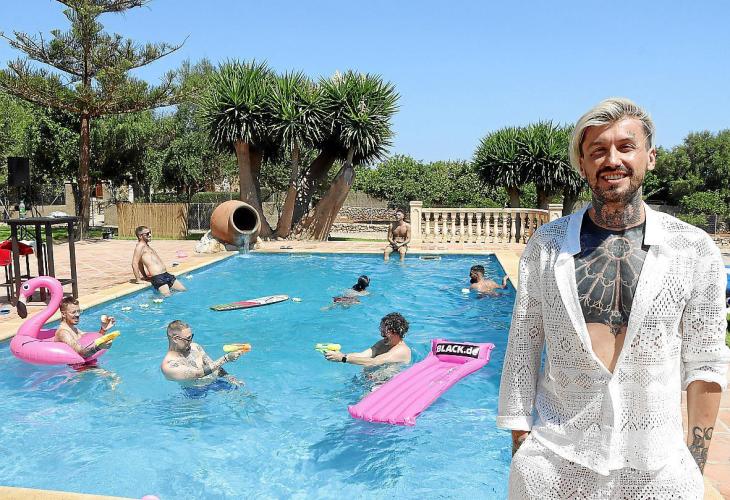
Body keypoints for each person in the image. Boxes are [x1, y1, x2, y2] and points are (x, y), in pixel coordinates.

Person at [498, 97, 730, 499]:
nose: (612, 160)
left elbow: (705, 362)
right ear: (583, 164)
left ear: (650, 157)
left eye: (626, 146)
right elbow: (523, 348)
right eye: (598, 150)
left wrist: (693, 467)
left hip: (656, 468)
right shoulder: (547, 247)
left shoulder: (692, 249)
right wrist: (523, 449)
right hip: (555, 462)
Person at [161, 320, 243, 383]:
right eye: (188, 338)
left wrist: (230, 378)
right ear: (175, 339)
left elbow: (213, 365)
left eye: (191, 337)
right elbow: (198, 374)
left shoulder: (195, 347)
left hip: (216, 383)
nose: (191, 341)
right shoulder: (168, 365)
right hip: (195, 394)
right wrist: (226, 358)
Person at [323, 312, 411, 368]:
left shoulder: (402, 350)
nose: (382, 335)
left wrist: (343, 358)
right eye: (381, 331)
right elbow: (362, 355)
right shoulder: (383, 343)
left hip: (385, 384)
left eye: (384, 332)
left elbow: (374, 362)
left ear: (395, 333)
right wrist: (339, 355)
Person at [131, 225, 187, 296]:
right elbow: (135, 263)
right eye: (147, 234)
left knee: (183, 290)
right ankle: (154, 300)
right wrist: (138, 280)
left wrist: (145, 276)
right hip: (158, 277)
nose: (150, 235)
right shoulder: (140, 246)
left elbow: (140, 264)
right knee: (167, 296)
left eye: (150, 233)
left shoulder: (147, 246)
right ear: (140, 236)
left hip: (166, 274)